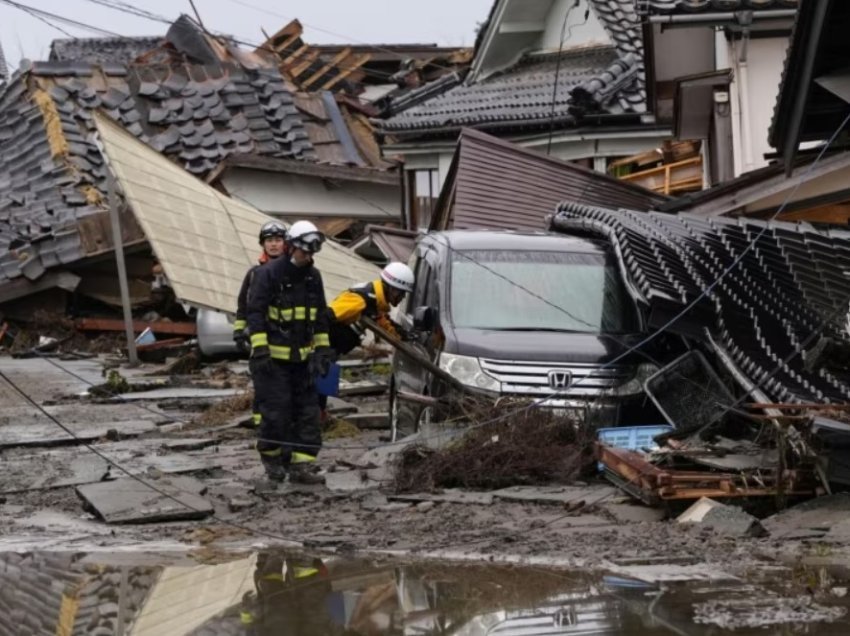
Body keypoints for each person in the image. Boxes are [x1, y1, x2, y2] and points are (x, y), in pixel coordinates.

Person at [246, 220, 335, 487]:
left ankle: (300, 467)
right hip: (272, 363)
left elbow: (319, 317)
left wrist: (322, 350)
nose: (307, 258)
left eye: (311, 254)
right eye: (304, 252)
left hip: (302, 363)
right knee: (275, 415)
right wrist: (259, 348)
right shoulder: (268, 274)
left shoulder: (313, 277)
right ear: (291, 247)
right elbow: (255, 313)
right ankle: (273, 466)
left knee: (308, 415)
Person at [319, 262, 415, 414]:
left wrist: (405, 337)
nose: (402, 298)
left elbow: (385, 324)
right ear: (393, 290)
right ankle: (316, 416)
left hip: (333, 350)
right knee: (318, 389)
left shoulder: (374, 301)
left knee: (322, 389)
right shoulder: (360, 300)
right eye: (402, 293)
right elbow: (325, 317)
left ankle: (319, 414)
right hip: (323, 349)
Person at [233, 220, 288, 428]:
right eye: (269, 241)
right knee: (263, 386)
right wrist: (239, 332)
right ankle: (262, 428)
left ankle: (282, 427)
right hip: (261, 339)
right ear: (263, 244)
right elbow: (243, 305)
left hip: (287, 340)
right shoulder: (254, 274)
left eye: (278, 240)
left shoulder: (294, 271)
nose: (274, 244)